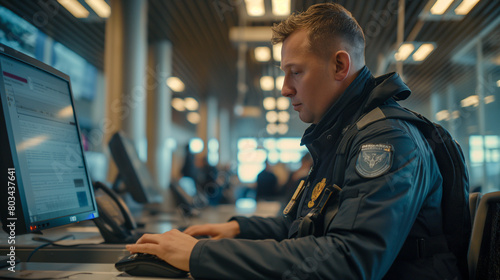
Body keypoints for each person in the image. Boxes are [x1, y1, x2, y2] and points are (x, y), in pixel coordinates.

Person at [126, 3, 464, 279]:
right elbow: (302, 225)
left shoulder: (386, 140)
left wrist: (201, 255)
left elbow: (349, 262)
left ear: (339, 65)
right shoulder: (345, 135)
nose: (285, 88)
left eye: (295, 72)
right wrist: (235, 229)